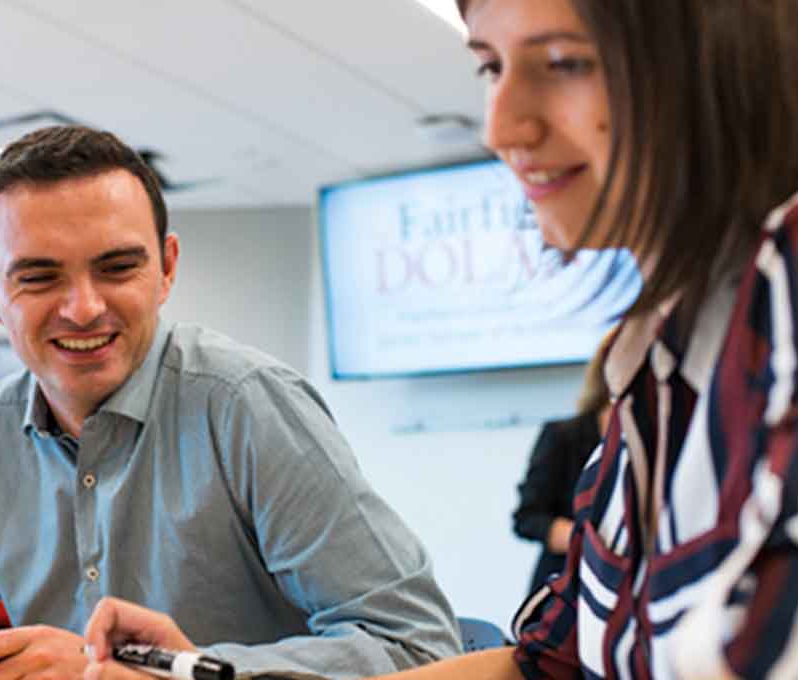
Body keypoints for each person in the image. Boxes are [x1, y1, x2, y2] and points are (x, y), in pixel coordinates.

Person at [81, 0, 798, 678]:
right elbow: (545, 664)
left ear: (714, 60)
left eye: (566, 63)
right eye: (492, 67)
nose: (502, 125)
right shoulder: (654, 368)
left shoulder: (781, 297)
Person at [0, 125, 462, 680]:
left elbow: (418, 648)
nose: (84, 308)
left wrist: (172, 674)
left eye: (117, 268)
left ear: (166, 267)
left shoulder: (248, 409)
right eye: (40, 277)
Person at [512, 334, 612, 595]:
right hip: (565, 587)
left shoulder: (660, 438)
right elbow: (527, 518)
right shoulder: (561, 435)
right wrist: (583, 541)